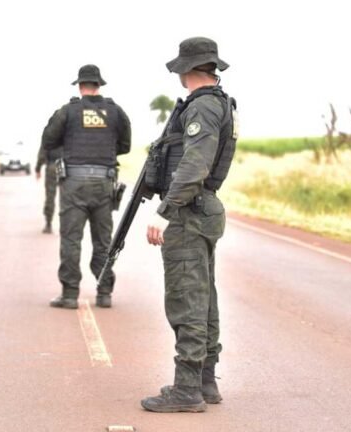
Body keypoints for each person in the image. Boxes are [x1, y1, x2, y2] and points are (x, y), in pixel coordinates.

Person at [140, 37, 238, 413]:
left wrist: (165, 210)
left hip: (188, 212)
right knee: (203, 296)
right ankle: (205, 380)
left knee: (186, 300)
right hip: (202, 208)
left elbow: (194, 165)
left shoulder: (203, 108)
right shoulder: (218, 103)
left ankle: (186, 390)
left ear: (187, 70)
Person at [42, 64, 131, 309]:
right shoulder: (115, 112)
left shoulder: (68, 111)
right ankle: (104, 293)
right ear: (99, 85)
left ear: (80, 86)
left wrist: (70, 150)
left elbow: (48, 140)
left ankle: (70, 294)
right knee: (103, 241)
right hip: (104, 182)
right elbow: (125, 146)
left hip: (74, 184)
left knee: (71, 239)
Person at [35, 145, 62, 234]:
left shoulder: (49, 134)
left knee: (50, 196)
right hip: (63, 165)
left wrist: (38, 168)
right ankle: (66, 225)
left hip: (52, 165)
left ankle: (48, 224)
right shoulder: (69, 132)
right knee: (66, 197)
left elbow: (42, 155)